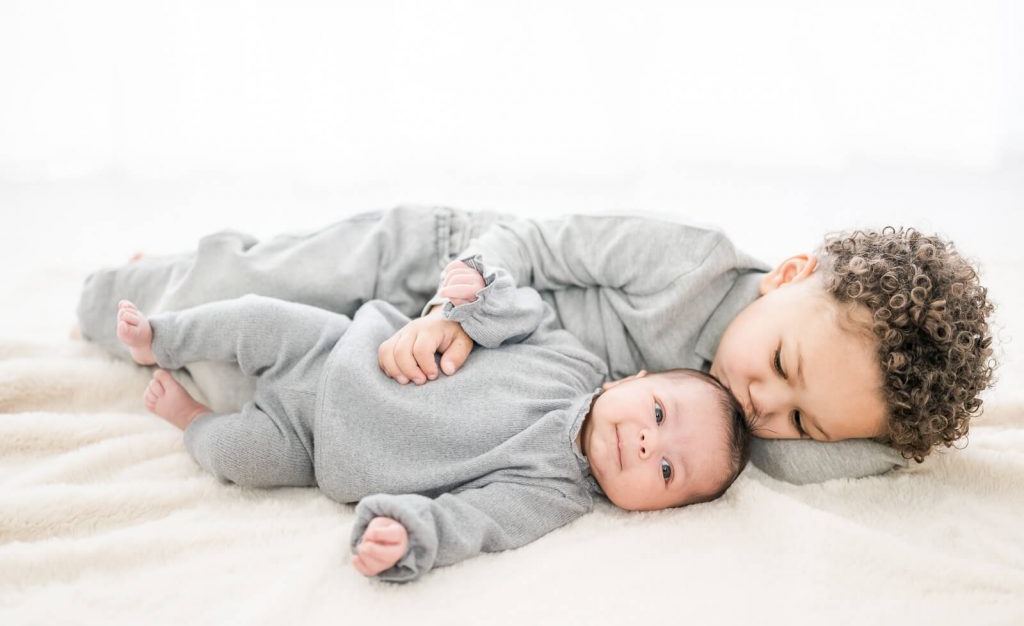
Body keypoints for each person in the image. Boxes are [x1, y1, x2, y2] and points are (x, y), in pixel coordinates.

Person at [76, 206, 996, 483]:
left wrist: (873, 436)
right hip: (447, 270)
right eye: (785, 370)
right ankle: (124, 283)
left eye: (806, 421)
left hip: (423, 374)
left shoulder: (751, 425)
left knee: (239, 383)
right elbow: (532, 244)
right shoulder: (689, 264)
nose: (766, 406)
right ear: (791, 274)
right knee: (244, 289)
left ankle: (188, 272)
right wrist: (445, 308)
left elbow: (838, 453)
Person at [113, 254, 751, 582]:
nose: (645, 443)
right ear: (633, 379)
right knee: (255, 315)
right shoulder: (572, 359)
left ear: (658, 511)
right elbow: (518, 311)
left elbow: (471, 521)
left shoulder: (553, 495)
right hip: (339, 350)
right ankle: (163, 338)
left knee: (240, 457)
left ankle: (191, 419)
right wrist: (478, 290)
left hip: (314, 449)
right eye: (659, 413)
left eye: (668, 469)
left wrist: (409, 534)